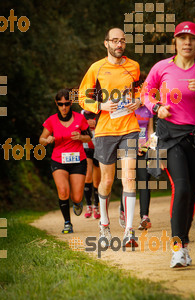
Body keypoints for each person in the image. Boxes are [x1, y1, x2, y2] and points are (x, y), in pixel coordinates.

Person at [143, 21, 195, 268]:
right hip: (170, 136)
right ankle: (177, 248)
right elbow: (145, 92)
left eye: (192, 39)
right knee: (182, 187)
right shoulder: (161, 67)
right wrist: (157, 107)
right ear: (175, 42)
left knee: (193, 192)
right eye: (182, 38)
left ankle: (184, 245)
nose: (187, 42)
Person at [79, 28, 142, 247]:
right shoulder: (96, 68)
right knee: (106, 181)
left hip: (129, 128)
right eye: (114, 40)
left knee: (129, 178)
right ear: (106, 43)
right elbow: (81, 96)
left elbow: (141, 88)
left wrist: (139, 101)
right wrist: (100, 105)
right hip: (105, 130)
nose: (119, 44)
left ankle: (129, 231)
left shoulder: (133, 66)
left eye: (122, 40)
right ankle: (104, 224)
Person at [39, 89, 92, 234]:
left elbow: (89, 137)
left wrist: (81, 137)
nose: (64, 107)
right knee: (63, 192)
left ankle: (77, 203)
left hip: (78, 161)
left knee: (77, 196)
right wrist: (47, 140)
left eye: (67, 104)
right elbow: (41, 139)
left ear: (71, 103)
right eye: (61, 104)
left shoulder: (80, 119)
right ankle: (67, 223)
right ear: (57, 103)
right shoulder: (51, 120)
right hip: (59, 160)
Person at [119, 102, 154, 230]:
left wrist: (148, 146)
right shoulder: (124, 107)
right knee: (129, 179)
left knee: (144, 181)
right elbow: (120, 131)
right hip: (127, 148)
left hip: (144, 149)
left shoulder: (148, 108)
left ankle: (144, 216)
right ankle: (123, 210)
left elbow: (150, 131)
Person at [81, 110, 101, 219]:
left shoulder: (100, 111)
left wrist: (97, 124)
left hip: (99, 148)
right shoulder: (81, 113)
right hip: (86, 148)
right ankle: (88, 205)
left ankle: (96, 206)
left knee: (97, 181)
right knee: (88, 177)